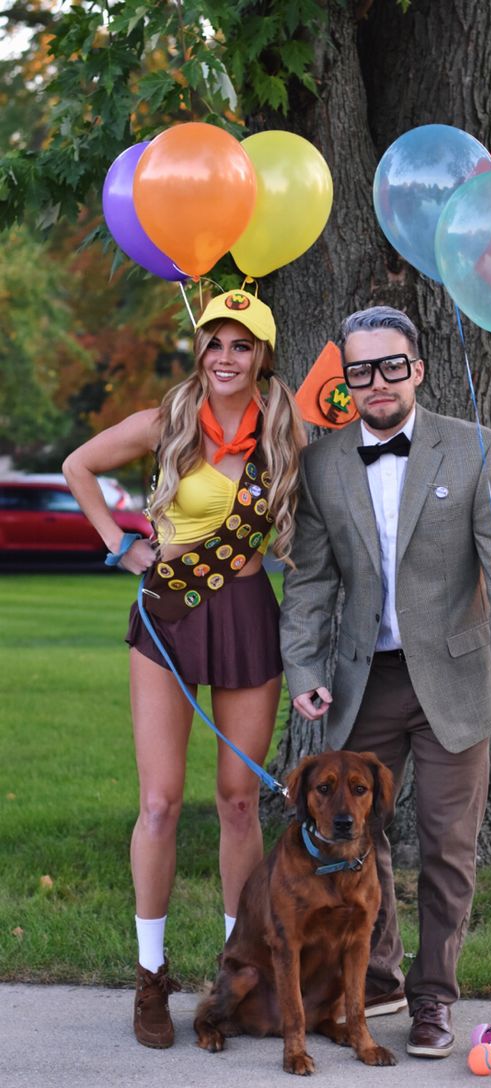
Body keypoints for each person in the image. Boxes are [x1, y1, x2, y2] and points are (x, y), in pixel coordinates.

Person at [279, 305, 491, 1059]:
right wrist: (304, 666)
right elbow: (309, 580)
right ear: (348, 380)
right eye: (361, 370)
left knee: (448, 844)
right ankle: (383, 972)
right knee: (358, 837)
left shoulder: (474, 450)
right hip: (363, 682)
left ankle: (434, 998)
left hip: (457, 682)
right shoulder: (324, 463)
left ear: (417, 369)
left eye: (392, 365)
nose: (378, 382)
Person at [63, 289, 306, 1049]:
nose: (225, 357)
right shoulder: (168, 421)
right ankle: (149, 976)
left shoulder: (284, 431)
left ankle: (239, 972)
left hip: (244, 614)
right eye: (213, 343)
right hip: (170, 611)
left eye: (240, 345)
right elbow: (78, 465)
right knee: (161, 803)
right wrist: (120, 543)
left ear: (261, 356)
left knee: (239, 802)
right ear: (200, 351)